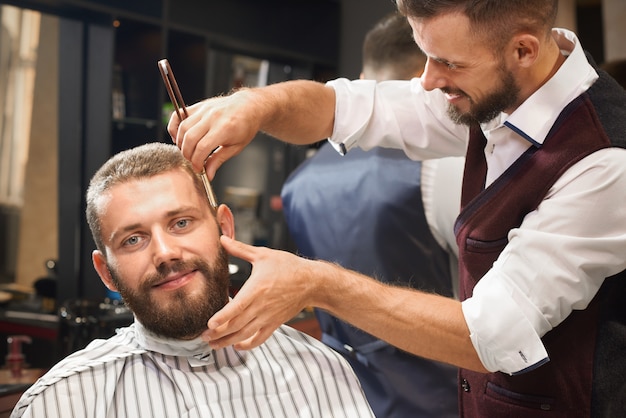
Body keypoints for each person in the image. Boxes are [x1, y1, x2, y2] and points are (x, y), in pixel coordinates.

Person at [168, 0, 626, 416]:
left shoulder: (604, 162)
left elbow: (492, 334)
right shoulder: (496, 86)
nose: (427, 80)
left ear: (523, 51)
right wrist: (257, 104)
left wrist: (318, 283)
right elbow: (342, 107)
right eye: (425, 54)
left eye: (447, 62)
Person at [10, 143, 374, 418]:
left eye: (181, 223)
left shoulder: (317, 370)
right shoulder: (63, 403)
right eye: (133, 239)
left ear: (224, 228)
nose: (166, 253)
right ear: (107, 272)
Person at [280, 12, 462, 418]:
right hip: (440, 396)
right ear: (423, 78)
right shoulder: (445, 165)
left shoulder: (297, 182)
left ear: (362, 77)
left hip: (339, 396)